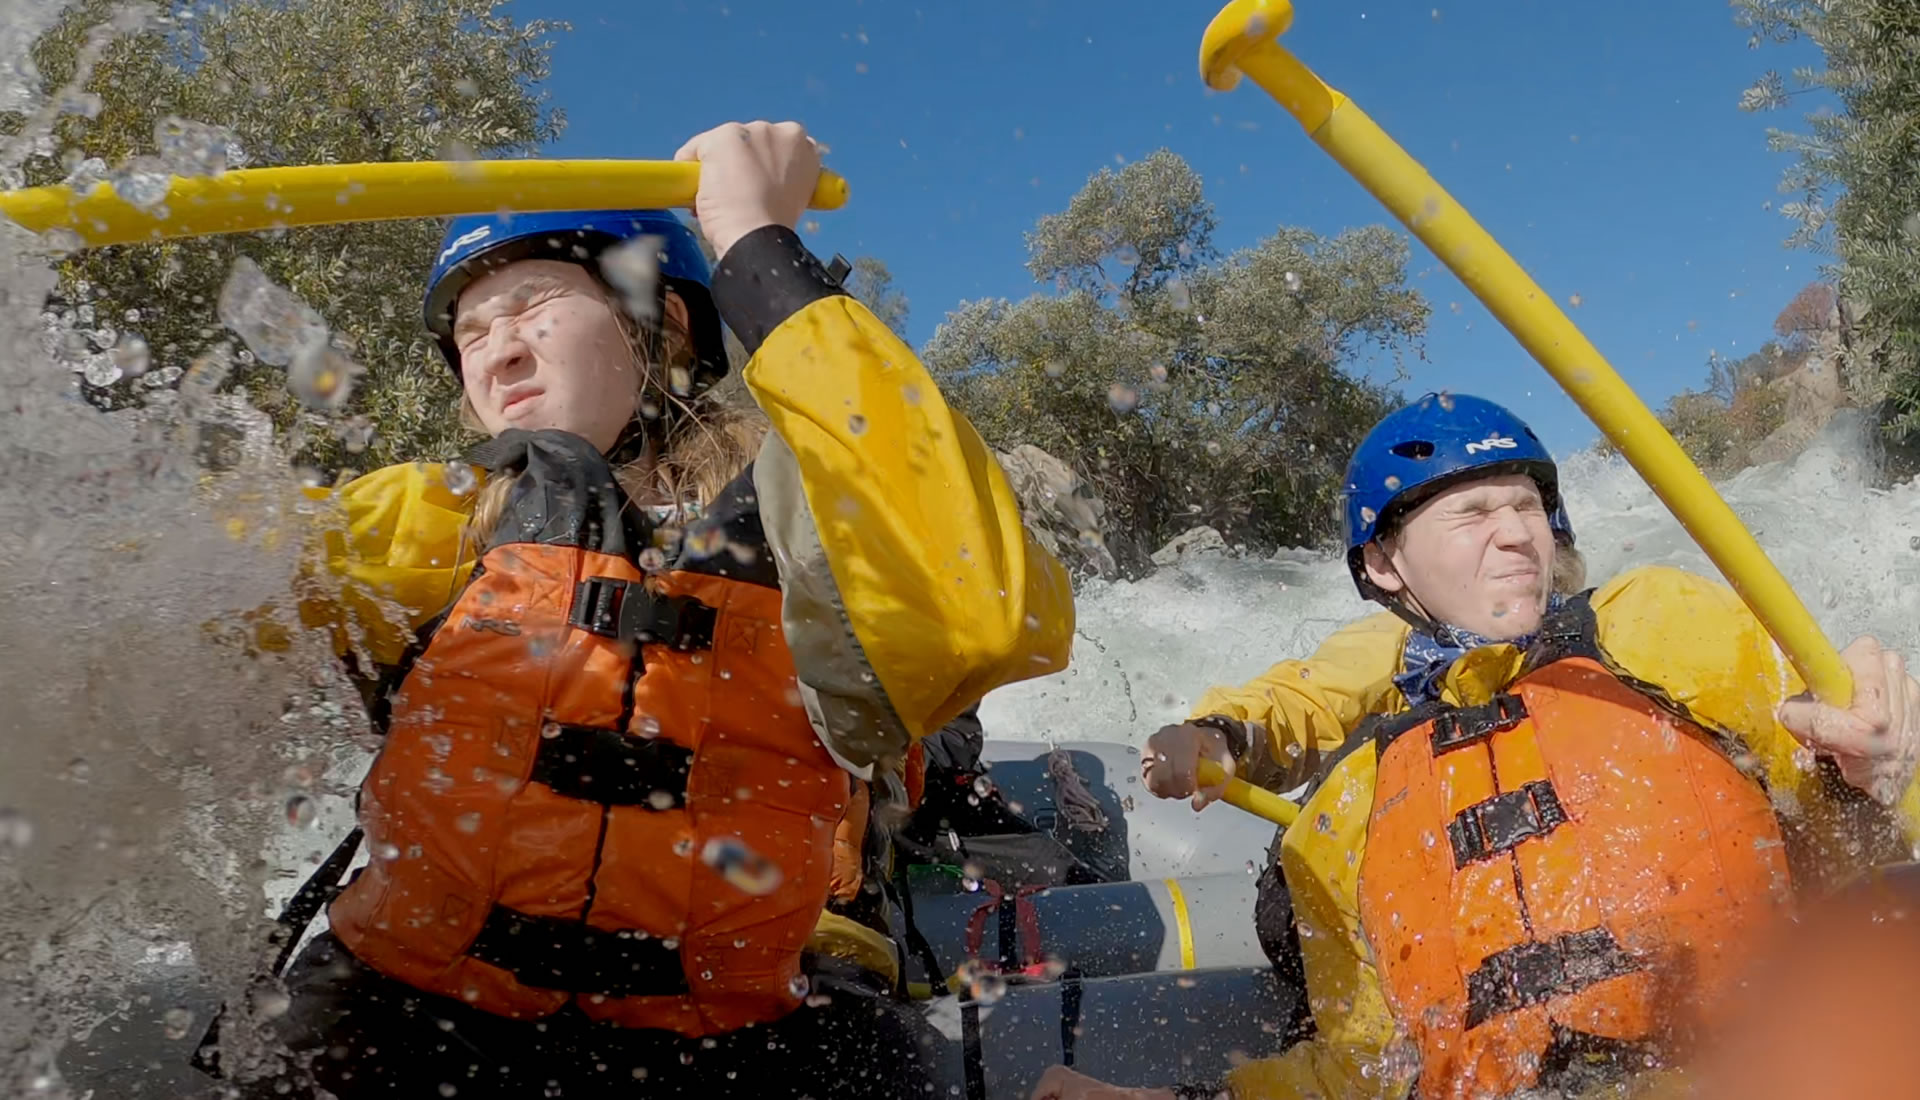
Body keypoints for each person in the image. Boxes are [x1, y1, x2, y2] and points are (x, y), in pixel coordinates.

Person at [224, 120, 1075, 1099]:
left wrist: (757, 248)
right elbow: (148, 607)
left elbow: (983, 612)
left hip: (748, 1033)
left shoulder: (808, 509)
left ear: (664, 323)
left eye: (535, 304)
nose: (497, 353)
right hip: (409, 1015)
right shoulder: (425, 519)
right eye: (471, 332)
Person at [1031, 392, 1920, 1100]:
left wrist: (1879, 757)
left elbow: (1843, 768)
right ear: (1385, 565)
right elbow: (1304, 702)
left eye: (1527, 505)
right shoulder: (1358, 790)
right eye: (1470, 513)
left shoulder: (1655, 627)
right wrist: (1217, 735)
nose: (1514, 532)